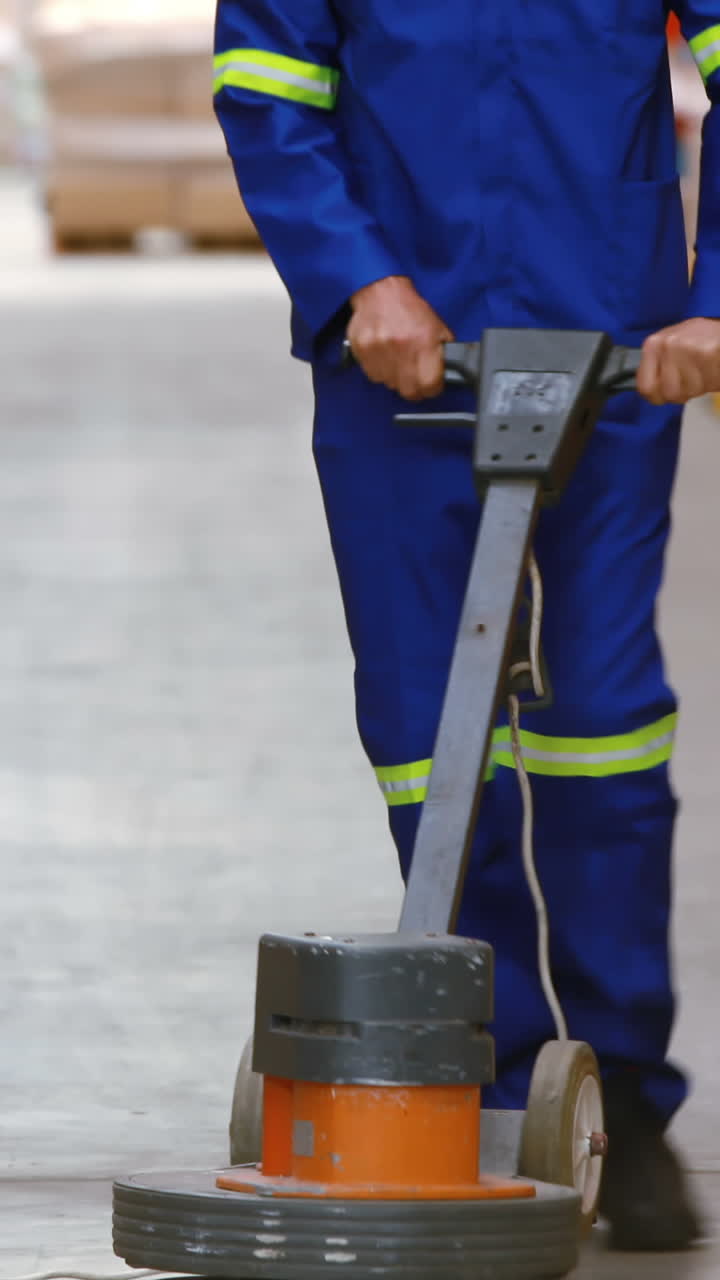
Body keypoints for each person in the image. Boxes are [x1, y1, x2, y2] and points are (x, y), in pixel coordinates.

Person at [213, 0, 720, 1250]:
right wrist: (358, 277)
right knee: (428, 734)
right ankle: (492, 1078)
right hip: (399, 357)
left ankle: (625, 1096)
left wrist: (712, 300)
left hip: (613, 341)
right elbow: (269, 82)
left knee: (603, 728)